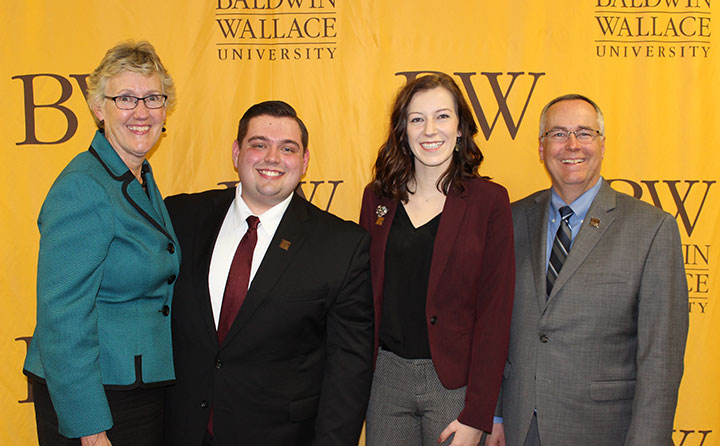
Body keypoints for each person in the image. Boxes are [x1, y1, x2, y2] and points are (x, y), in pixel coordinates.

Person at [163, 100, 374, 446]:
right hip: (181, 430)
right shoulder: (181, 217)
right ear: (236, 153)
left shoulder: (341, 245)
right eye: (259, 144)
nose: (272, 158)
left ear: (304, 162)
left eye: (287, 149)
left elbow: (348, 371)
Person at [488, 94, 689, 446]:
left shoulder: (652, 229)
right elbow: (496, 329)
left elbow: (661, 359)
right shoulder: (511, 219)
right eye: (558, 133)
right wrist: (497, 413)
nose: (571, 145)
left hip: (606, 431)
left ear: (601, 143)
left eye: (584, 133)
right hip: (520, 429)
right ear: (541, 147)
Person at [23, 41, 180, 446]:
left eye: (152, 97)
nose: (141, 112)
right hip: (98, 399)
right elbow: (63, 319)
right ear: (98, 107)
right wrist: (90, 429)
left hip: (136, 386)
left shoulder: (136, 175)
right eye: (125, 98)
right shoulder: (83, 186)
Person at [359, 73, 515, 446]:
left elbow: (495, 314)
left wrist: (478, 414)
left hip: (455, 386)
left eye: (442, 116)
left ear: (460, 128)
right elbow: (363, 298)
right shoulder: (376, 198)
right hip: (385, 381)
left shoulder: (489, 202)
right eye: (417, 119)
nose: (430, 129)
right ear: (403, 131)